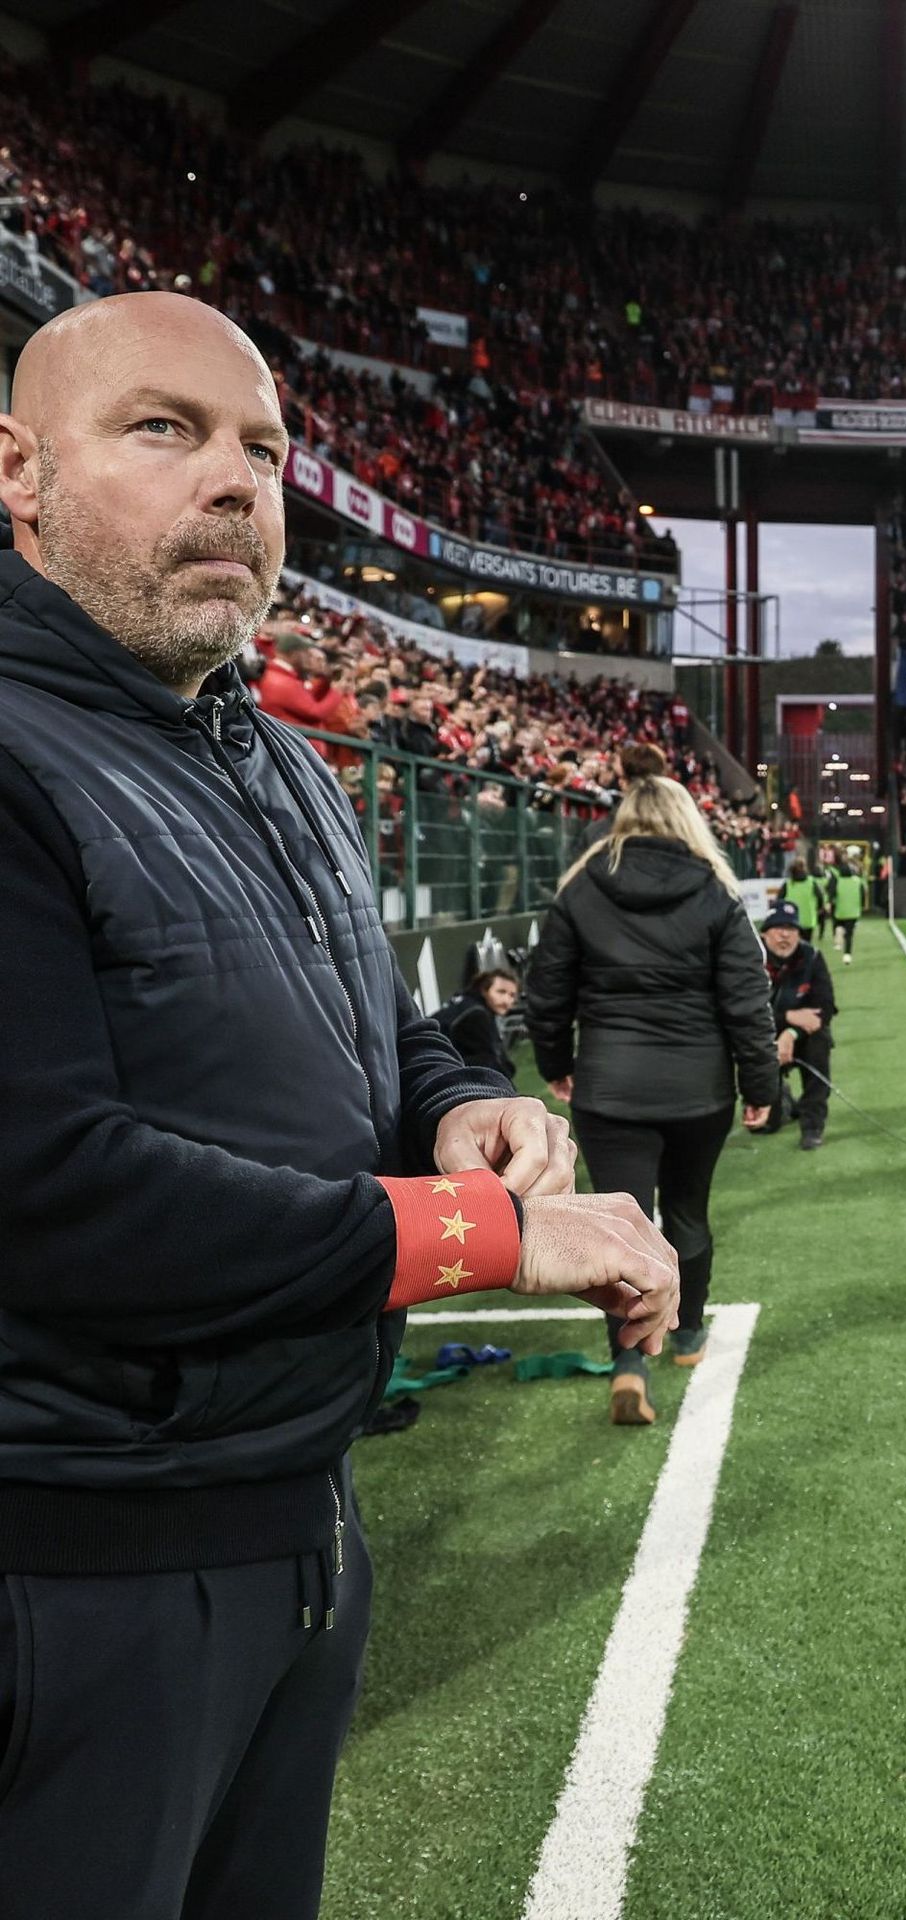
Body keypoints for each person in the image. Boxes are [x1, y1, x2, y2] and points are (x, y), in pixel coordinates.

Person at [0, 292, 680, 1919]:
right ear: (15, 474)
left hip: (299, 1521)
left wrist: (454, 1108)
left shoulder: (288, 769)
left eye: (264, 447)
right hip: (73, 1570)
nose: (236, 482)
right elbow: (48, 1188)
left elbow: (378, 1034)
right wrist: (490, 1231)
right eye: (162, 431)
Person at [524, 742, 779, 1422]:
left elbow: (546, 993)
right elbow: (747, 1002)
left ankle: (629, 1362)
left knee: (622, 1223)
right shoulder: (716, 891)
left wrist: (556, 1065)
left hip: (611, 1087)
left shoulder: (582, 886)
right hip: (698, 1089)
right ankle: (689, 1332)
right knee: (688, 1213)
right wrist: (763, 1086)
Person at [757, 897, 837, 1150]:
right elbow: (739, 1009)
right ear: (764, 934)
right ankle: (783, 1102)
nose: (785, 936)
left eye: (791, 929)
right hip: (761, 1035)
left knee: (820, 1040)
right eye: (778, 928)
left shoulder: (812, 957)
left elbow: (825, 1007)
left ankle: (812, 1124)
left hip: (801, 1035)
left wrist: (791, 1032)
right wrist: (788, 1017)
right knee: (768, 1126)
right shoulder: (749, 960)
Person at [432, 966, 520, 1079]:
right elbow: (488, 1063)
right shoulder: (475, 1015)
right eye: (501, 992)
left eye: (512, 995)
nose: (506, 1000)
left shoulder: (469, 1004)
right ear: (484, 990)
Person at [829, 851, 869, 961]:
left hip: (840, 910)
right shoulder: (856, 881)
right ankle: (847, 954)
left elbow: (832, 893)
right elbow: (862, 894)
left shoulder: (838, 881)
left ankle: (838, 932)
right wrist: (860, 906)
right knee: (850, 933)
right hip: (853, 911)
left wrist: (831, 902)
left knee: (839, 925)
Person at [779, 854, 826, 946]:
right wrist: (819, 908)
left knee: (793, 946)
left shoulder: (788, 884)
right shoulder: (811, 882)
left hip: (792, 920)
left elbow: (779, 901)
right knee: (806, 946)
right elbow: (820, 897)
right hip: (809, 920)